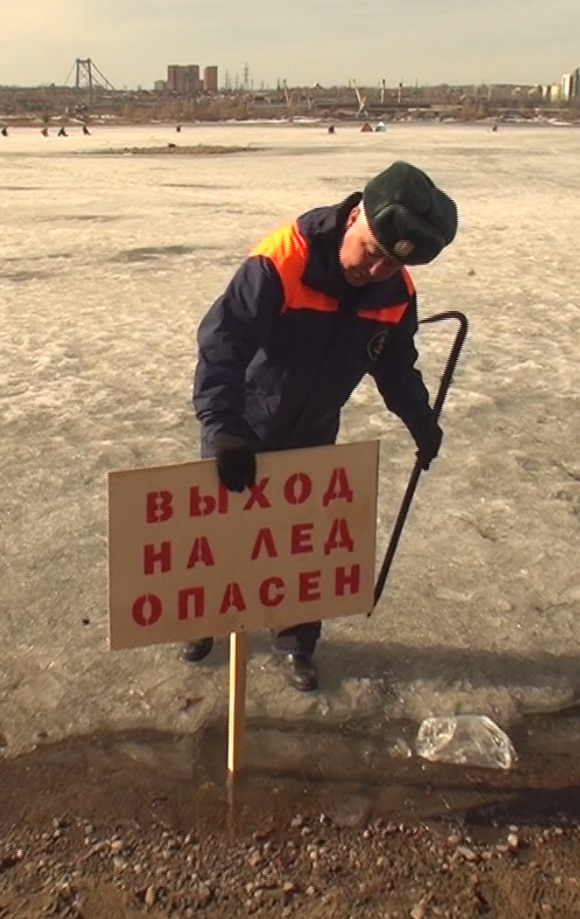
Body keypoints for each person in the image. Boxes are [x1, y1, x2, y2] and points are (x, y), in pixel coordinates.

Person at [184, 161, 457, 692]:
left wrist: (420, 420)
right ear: (357, 215)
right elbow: (223, 344)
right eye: (372, 251)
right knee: (220, 536)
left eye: (389, 264)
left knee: (302, 545)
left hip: (314, 428)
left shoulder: (395, 294)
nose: (374, 270)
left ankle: (296, 643)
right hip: (245, 422)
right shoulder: (283, 260)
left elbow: (395, 365)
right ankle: (202, 621)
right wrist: (222, 427)